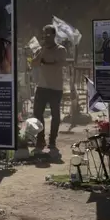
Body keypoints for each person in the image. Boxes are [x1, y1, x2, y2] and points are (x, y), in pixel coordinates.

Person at [31, 25, 67, 154]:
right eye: (44, 34)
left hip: (55, 87)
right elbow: (33, 63)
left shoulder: (60, 49)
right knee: (37, 114)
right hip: (41, 86)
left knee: (55, 115)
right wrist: (42, 52)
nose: (45, 37)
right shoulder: (41, 50)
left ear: (53, 35)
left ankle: (52, 141)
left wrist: (45, 62)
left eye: (48, 34)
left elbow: (59, 64)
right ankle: (40, 139)